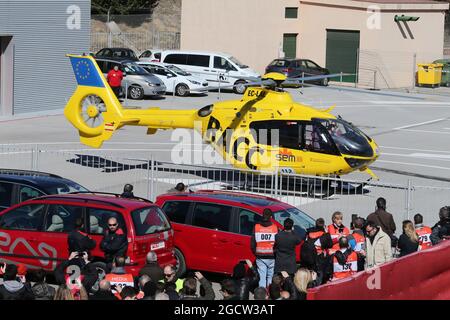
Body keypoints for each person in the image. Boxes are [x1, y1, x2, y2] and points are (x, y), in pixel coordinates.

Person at [251, 208, 278, 288]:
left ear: (263, 215)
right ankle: (269, 294)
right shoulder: (275, 227)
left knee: (262, 278)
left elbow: (252, 243)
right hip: (272, 256)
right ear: (270, 216)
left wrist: (255, 253)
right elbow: (278, 242)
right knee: (270, 277)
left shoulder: (256, 227)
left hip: (260, 256)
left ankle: (261, 295)